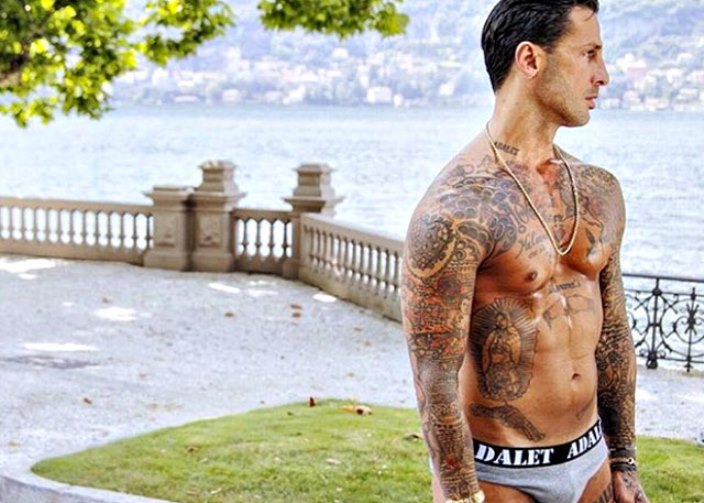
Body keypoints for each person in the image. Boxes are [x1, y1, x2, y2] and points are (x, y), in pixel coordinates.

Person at [400, 1, 649, 502]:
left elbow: (613, 334)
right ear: (531, 60)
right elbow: (435, 376)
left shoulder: (598, 190)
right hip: (500, 473)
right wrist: (460, 492)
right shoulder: (457, 210)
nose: (603, 75)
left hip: (592, 460)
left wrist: (623, 458)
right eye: (589, 54)